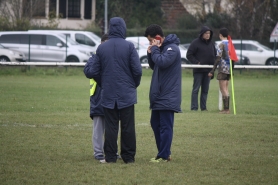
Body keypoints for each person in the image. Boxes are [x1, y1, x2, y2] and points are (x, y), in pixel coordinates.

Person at [88, 17, 142, 164]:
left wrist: (103, 84)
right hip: (127, 93)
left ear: (110, 28)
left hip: (108, 93)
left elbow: (94, 71)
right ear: (123, 28)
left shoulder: (102, 48)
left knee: (111, 126)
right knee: (128, 126)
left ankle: (110, 157)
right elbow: (137, 70)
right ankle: (129, 157)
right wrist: (133, 85)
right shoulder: (129, 46)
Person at [144, 24, 182, 163]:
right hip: (159, 95)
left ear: (158, 38)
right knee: (155, 123)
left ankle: (163, 155)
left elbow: (163, 61)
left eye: (151, 40)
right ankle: (165, 152)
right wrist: (150, 52)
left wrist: (154, 49)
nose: (150, 43)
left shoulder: (172, 48)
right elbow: (155, 65)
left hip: (168, 95)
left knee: (165, 126)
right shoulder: (162, 49)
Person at [186, 26, 216, 111]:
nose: (208, 35)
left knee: (205, 90)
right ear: (202, 34)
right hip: (198, 71)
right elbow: (189, 55)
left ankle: (204, 108)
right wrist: (197, 62)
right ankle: (194, 108)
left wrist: (213, 70)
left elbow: (214, 56)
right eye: (206, 33)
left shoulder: (211, 44)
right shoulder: (195, 43)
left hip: (208, 71)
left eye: (209, 33)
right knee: (196, 89)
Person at [208, 28, 233, 114]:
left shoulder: (221, 44)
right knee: (226, 88)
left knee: (223, 89)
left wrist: (212, 70)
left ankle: (226, 109)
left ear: (221, 35)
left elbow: (218, 58)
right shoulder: (230, 44)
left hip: (222, 69)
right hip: (229, 69)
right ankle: (226, 108)